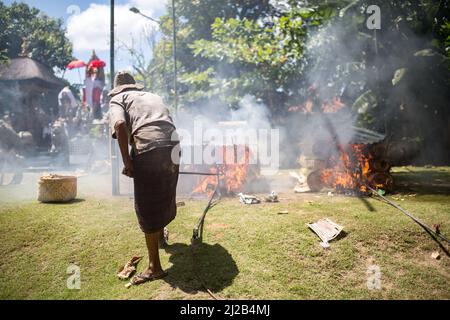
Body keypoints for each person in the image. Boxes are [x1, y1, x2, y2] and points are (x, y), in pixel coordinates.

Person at [108, 71, 180, 285]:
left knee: (147, 204)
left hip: (148, 147)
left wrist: (128, 163)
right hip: (173, 145)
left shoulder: (118, 99)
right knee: (164, 193)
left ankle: (154, 268)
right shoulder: (152, 95)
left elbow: (119, 125)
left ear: (118, 88)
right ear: (134, 85)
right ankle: (159, 239)